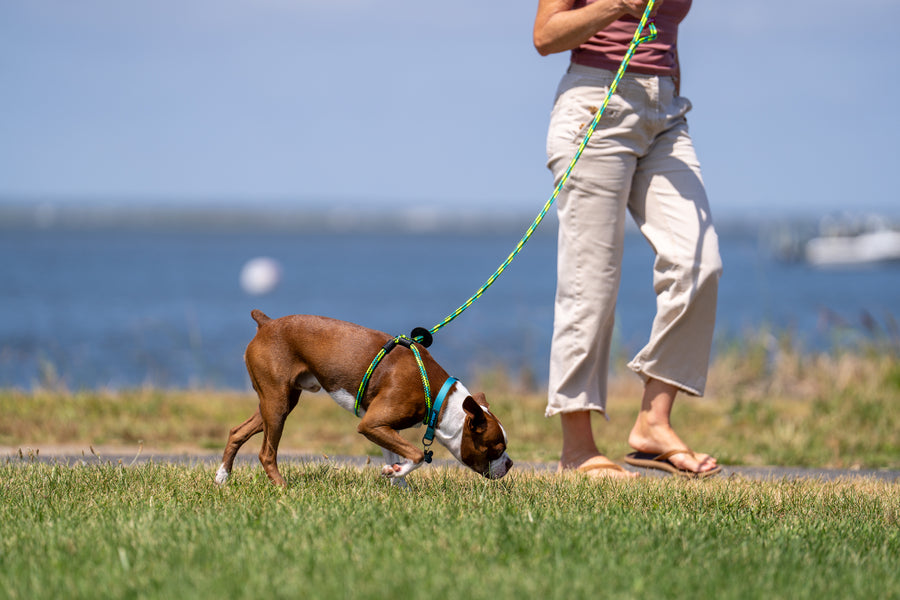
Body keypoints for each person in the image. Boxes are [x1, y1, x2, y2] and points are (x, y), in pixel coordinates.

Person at [534, 0, 722, 478]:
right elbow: (546, 36)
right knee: (590, 282)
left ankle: (653, 423)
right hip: (596, 105)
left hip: (666, 113)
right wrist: (618, 4)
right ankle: (577, 449)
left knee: (698, 262)